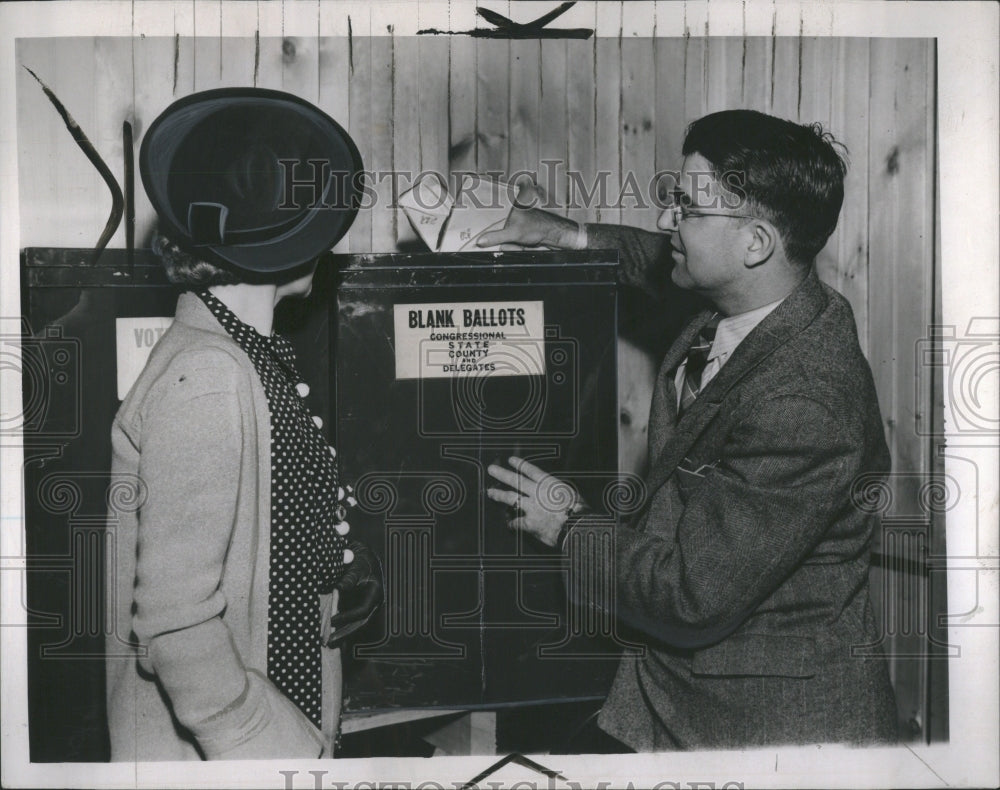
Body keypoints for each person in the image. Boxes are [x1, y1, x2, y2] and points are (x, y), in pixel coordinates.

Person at [483, 109, 898, 750]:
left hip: (767, 729)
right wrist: (560, 233)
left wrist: (565, 524)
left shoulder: (807, 402)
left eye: (686, 208)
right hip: (684, 695)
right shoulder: (760, 296)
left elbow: (691, 596)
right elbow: (657, 256)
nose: (666, 221)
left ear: (755, 244)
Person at [105, 88, 382, 761]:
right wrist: (264, 743)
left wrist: (336, 565)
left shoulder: (242, 356)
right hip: (225, 756)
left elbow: (254, 531)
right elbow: (174, 620)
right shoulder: (210, 374)